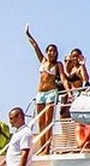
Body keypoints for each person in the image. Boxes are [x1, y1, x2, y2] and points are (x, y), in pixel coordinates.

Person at [25, 25, 70, 153]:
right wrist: (28, 34)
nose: (51, 53)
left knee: (48, 120)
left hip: (51, 92)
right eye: (49, 51)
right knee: (40, 121)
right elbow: (35, 46)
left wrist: (68, 91)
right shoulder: (43, 61)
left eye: (54, 51)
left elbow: (63, 78)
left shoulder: (58, 64)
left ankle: (47, 147)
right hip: (40, 93)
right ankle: (42, 145)